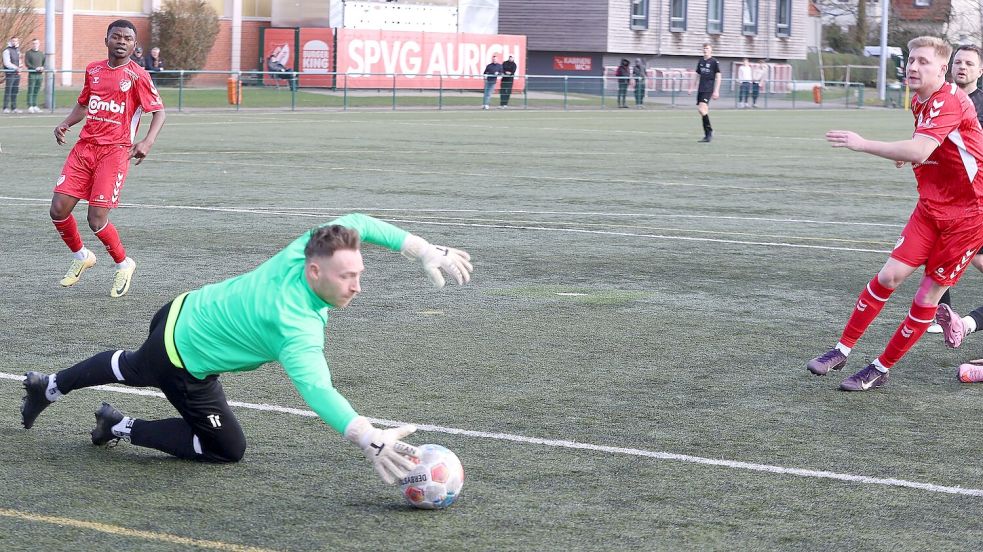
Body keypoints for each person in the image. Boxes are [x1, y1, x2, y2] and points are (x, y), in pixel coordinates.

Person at [20, 213, 474, 486]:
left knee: (135, 366)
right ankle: (120, 426)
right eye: (345, 277)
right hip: (184, 360)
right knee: (225, 448)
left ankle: (51, 386)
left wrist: (420, 250)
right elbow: (318, 389)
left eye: (357, 273)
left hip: (181, 310)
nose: (356, 286)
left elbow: (357, 223)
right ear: (315, 272)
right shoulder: (294, 325)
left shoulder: (306, 249)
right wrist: (367, 437)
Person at [807, 36, 983, 391]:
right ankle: (841, 350)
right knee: (888, 277)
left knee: (926, 298)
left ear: (941, 69)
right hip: (931, 207)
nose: (913, 67)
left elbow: (922, 148)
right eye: (911, 60)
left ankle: (880, 368)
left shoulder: (952, 99)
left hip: (967, 216)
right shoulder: (921, 100)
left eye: (923, 62)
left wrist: (863, 144)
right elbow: (928, 145)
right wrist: (911, 152)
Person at [49, 20, 166, 298]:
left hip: (114, 152)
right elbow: (85, 103)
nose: (122, 41)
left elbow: (159, 111)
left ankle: (124, 264)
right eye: (117, 37)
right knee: (58, 210)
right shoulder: (94, 69)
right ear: (107, 40)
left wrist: (147, 142)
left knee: (96, 218)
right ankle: (81, 257)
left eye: (127, 38)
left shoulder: (138, 76)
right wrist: (66, 123)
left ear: (134, 45)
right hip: (84, 148)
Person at [927, 44, 983, 365]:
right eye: (957, 62)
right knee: (937, 250)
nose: (961, 67)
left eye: (969, 63)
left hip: (975, 197)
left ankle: (951, 318)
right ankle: (941, 314)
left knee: (973, 256)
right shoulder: (942, 99)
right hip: (946, 195)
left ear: (980, 71)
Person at [690, 43, 720, 142]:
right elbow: (697, 75)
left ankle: (709, 132)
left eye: (707, 48)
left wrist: (716, 90)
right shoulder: (701, 61)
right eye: (704, 48)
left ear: (711, 50)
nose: (705, 50)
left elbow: (718, 76)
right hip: (701, 89)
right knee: (702, 111)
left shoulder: (714, 62)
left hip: (708, 89)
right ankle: (708, 133)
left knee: (702, 110)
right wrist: (692, 87)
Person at [2, 36, 22, 114]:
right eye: (13, 41)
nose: (15, 42)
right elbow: (7, 63)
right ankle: (5, 107)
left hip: (17, 74)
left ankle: (14, 107)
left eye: (16, 41)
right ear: (10, 41)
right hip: (10, 74)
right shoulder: (7, 51)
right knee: (8, 90)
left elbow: (19, 60)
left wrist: (20, 68)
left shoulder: (17, 50)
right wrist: (16, 68)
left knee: (15, 91)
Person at [25, 38, 44, 113]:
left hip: (39, 75)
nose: (35, 45)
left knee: (36, 90)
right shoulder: (28, 53)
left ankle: (35, 105)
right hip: (32, 74)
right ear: (31, 44)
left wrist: (42, 67)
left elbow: (43, 63)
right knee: (31, 90)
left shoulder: (41, 53)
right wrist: (35, 68)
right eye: (33, 43)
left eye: (36, 43)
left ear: (39, 44)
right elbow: (27, 63)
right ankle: (30, 105)